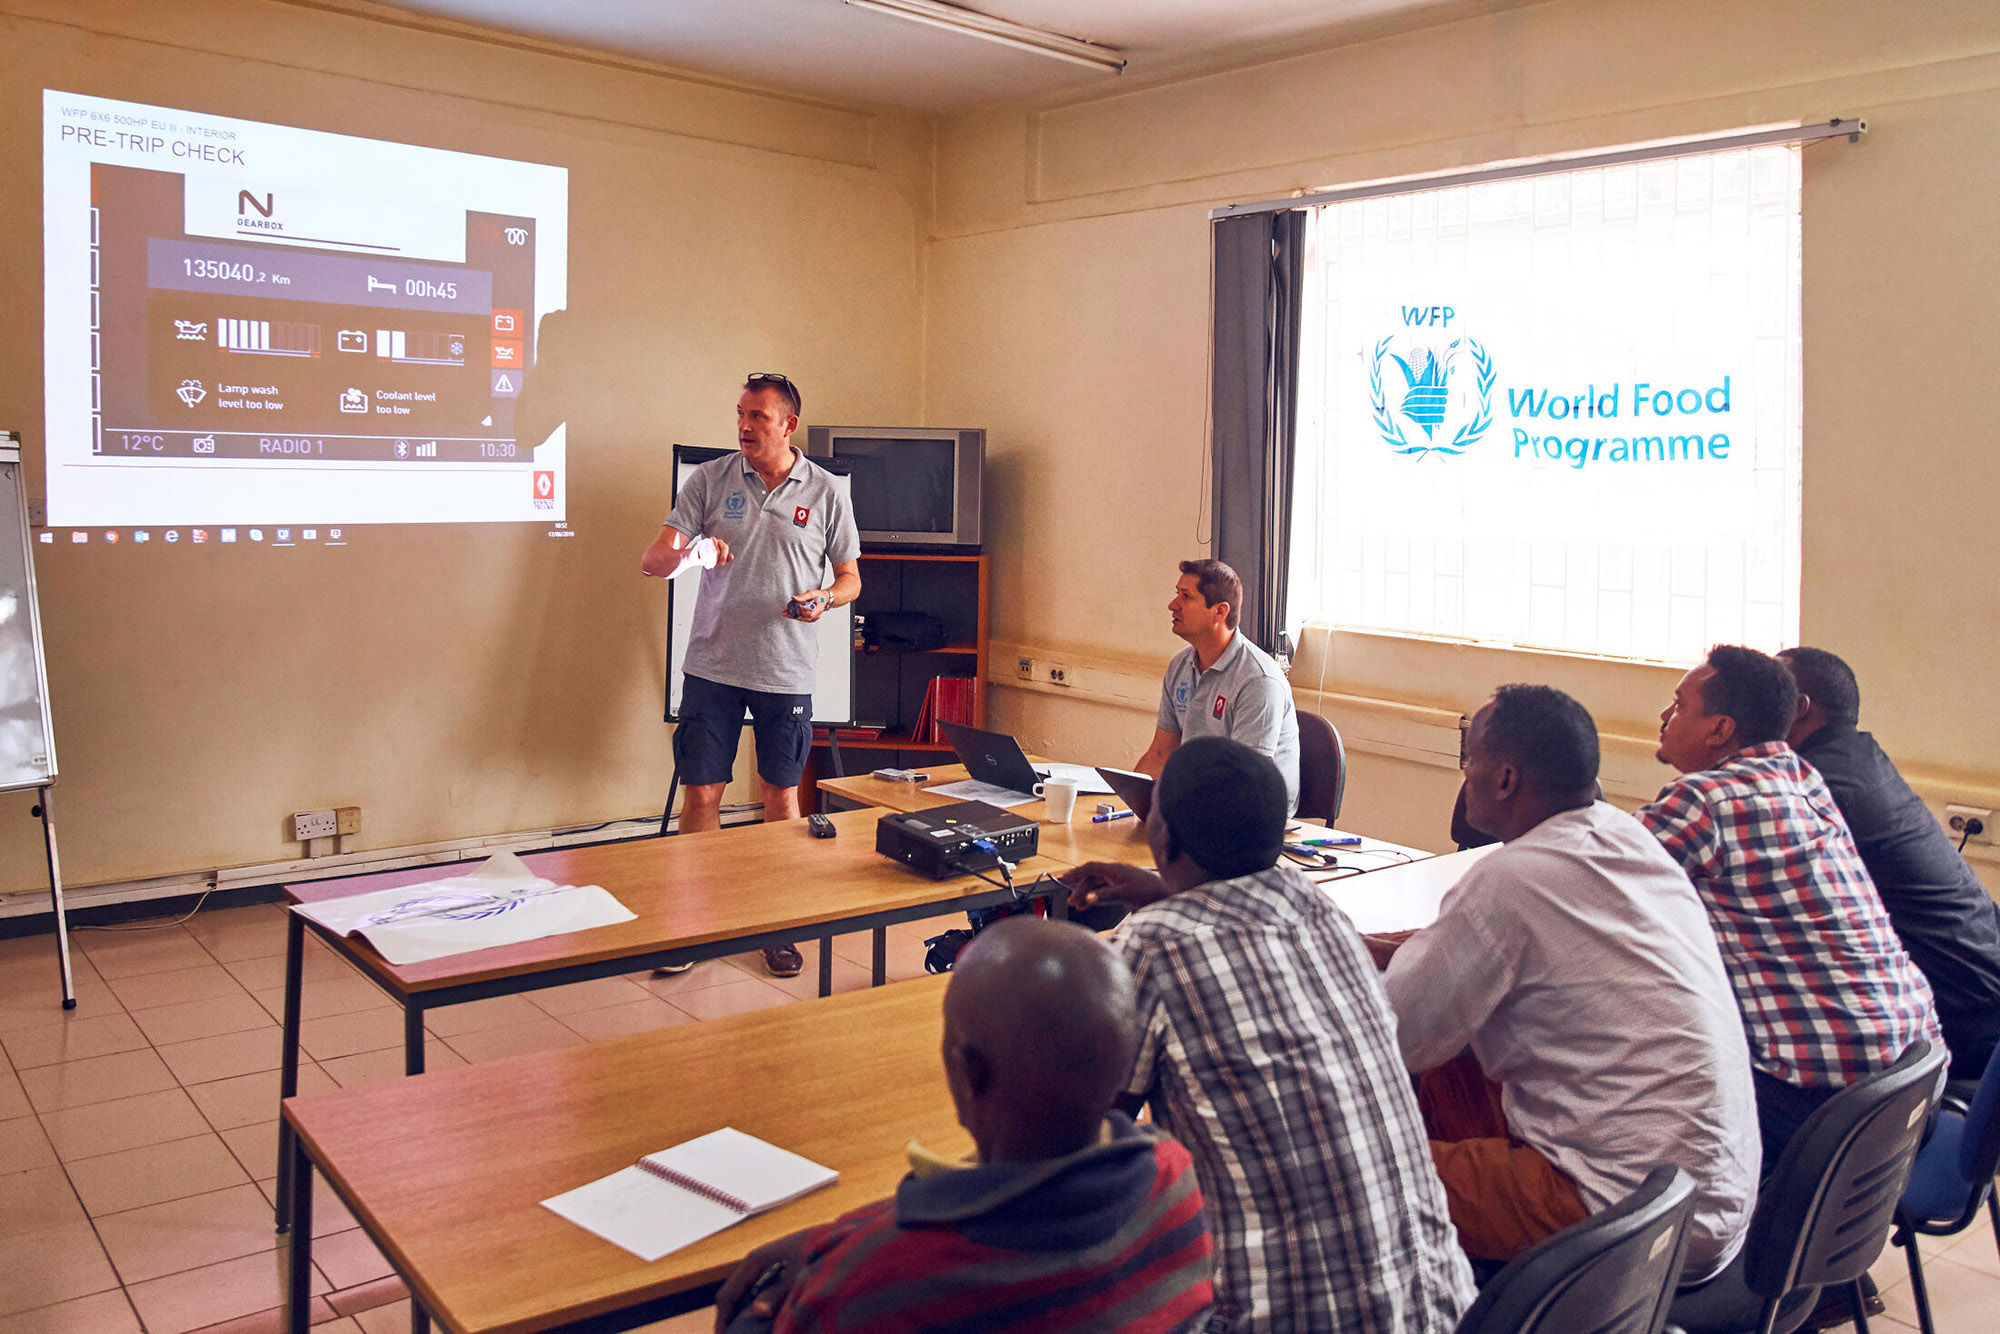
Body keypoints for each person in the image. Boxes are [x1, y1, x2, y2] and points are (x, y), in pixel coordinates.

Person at [1065, 737, 1474, 1333]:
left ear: (1165, 838)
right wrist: (1164, 888)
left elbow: (1095, 1136)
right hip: (1441, 1310)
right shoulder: (1319, 909)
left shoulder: (1152, 945)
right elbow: (1236, 908)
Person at [1382, 685, 1759, 1280]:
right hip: (1704, 1193)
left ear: (1505, 778)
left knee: (1350, 1164)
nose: (1465, 774)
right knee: (1456, 1064)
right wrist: (1386, 951)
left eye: (1469, 759)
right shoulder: (1629, 839)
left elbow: (1388, 1036)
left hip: (1615, 1214)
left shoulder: (1509, 879)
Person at [711, 916, 1216, 1334]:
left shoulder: (875, 1285)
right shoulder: (1176, 1179)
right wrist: (844, 1238)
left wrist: (844, 1250)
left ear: (970, 1071)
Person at [1638, 644, 1941, 1166]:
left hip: (1822, 1102)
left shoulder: (1704, 801)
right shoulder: (1803, 779)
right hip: (1910, 1080)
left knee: (1614, 1093)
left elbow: (1584, 880)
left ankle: (1642, 1243)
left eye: (1679, 704)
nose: (1666, 716)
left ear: (1720, 730)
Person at [641, 373, 860, 977]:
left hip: (785, 669)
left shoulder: (826, 491)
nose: (744, 425)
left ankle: (777, 925)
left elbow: (850, 577)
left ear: (789, 425)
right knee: (703, 793)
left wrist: (827, 598)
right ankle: (694, 927)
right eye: (740, 414)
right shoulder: (708, 480)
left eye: (759, 416)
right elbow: (653, 562)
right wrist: (695, 551)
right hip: (711, 665)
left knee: (780, 796)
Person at [1780, 646, 2000, 1093]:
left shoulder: (1815, 786)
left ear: (1799, 707)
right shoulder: (1857, 761)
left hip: (1962, 1017)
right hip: (1984, 985)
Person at [1134, 560, 1300, 816]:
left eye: (1186, 597)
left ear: (1219, 612)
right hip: (1199, 805)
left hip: (1252, 819)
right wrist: (1128, 803)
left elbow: (1244, 780)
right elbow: (1160, 754)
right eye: (1176, 594)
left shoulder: (1259, 680)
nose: (1173, 605)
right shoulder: (1180, 665)